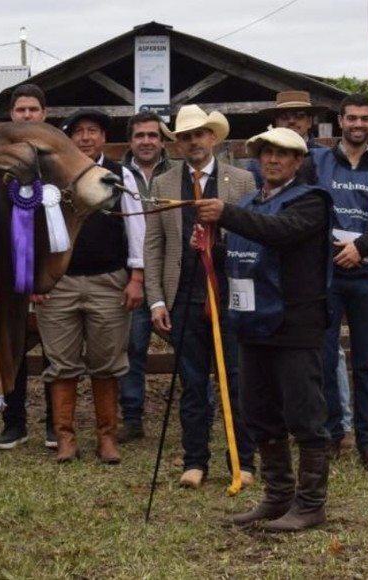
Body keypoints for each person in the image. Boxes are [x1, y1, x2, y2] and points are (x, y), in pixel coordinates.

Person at [197, 127, 333, 531]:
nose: (273, 160)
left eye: (283, 154)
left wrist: (226, 215)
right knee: (259, 412)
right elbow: (247, 253)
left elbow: (280, 233)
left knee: (305, 413)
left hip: (295, 324)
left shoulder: (311, 202)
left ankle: (310, 505)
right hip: (253, 323)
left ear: (298, 162)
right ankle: (277, 498)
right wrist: (210, 249)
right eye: (266, 153)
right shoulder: (249, 202)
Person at [145, 105, 256, 489]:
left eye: (199, 134)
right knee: (192, 382)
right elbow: (154, 245)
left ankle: (242, 459)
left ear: (213, 137)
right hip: (184, 295)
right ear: (177, 143)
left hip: (229, 296)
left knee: (238, 380)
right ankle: (195, 461)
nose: (193, 141)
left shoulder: (241, 182)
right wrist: (157, 300)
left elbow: (252, 238)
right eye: (185, 136)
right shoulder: (162, 185)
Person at [249, 91, 355, 455]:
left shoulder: (327, 161)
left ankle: (337, 426)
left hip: (325, 260)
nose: (292, 121)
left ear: (310, 122)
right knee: (277, 366)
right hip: (270, 275)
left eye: (299, 115)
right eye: (286, 116)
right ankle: (288, 435)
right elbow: (255, 215)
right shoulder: (256, 172)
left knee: (327, 354)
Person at [36, 108, 144, 463]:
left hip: (109, 280)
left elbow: (136, 227)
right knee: (61, 363)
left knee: (107, 362)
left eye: (92, 131)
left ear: (103, 137)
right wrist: (36, 277)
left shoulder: (118, 173)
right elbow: (31, 230)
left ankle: (106, 437)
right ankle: (66, 438)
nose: (85, 137)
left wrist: (136, 277)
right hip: (59, 283)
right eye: (78, 131)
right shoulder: (50, 177)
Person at [305, 93, 368, 473]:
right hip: (327, 275)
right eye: (352, 118)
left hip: (367, 276)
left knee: (367, 362)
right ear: (339, 121)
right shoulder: (316, 161)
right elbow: (307, 207)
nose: (358, 124)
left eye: (365, 118)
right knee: (324, 357)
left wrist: (361, 247)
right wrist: (330, 248)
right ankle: (331, 435)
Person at [0, 84, 57, 452]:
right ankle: (13, 422)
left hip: (50, 272)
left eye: (33, 109)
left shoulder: (58, 160)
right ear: (12, 115)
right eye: (20, 110)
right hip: (9, 272)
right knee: (13, 348)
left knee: (54, 348)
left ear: (43, 114)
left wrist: (45, 273)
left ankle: (54, 422)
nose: (27, 115)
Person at [118, 111, 177, 443]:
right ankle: (132, 415)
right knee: (132, 346)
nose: (146, 141)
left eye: (153, 135)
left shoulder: (178, 172)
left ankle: (201, 408)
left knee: (188, 343)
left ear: (162, 140)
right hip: (133, 274)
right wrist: (135, 274)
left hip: (173, 271)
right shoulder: (117, 175)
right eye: (140, 135)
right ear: (130, 140)